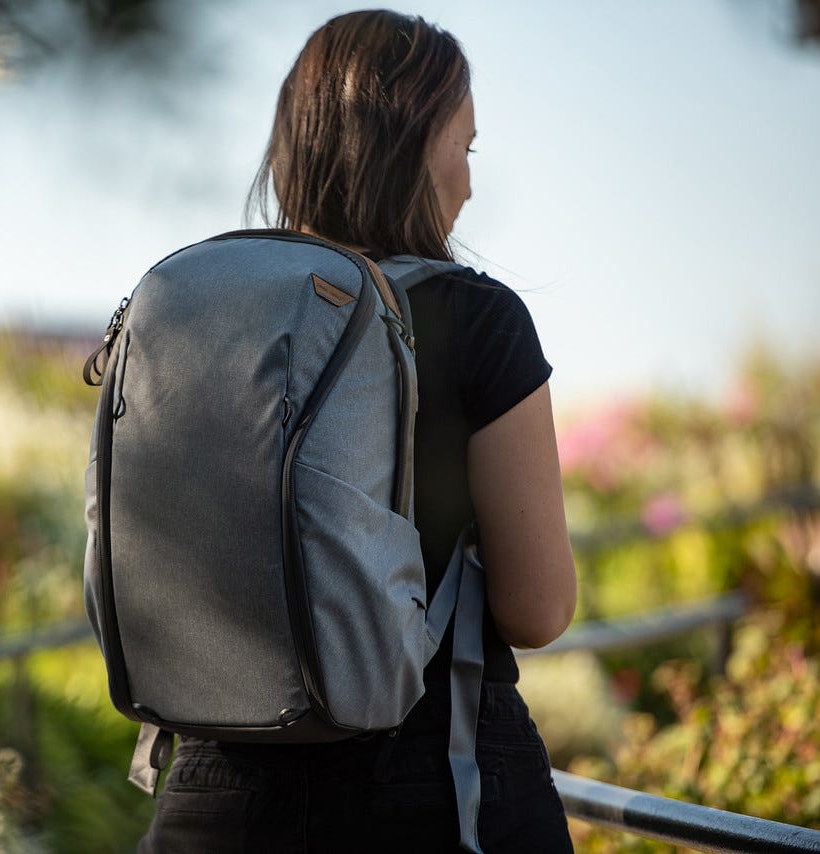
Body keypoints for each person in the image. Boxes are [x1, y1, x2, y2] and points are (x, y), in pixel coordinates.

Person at [137, 10, 578, 853]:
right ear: (412, 143)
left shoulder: (202, 312)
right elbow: (538, 606)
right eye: (466, 148)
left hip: (213, 788)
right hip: (429, 781)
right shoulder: (477, 318)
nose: (470, 183)